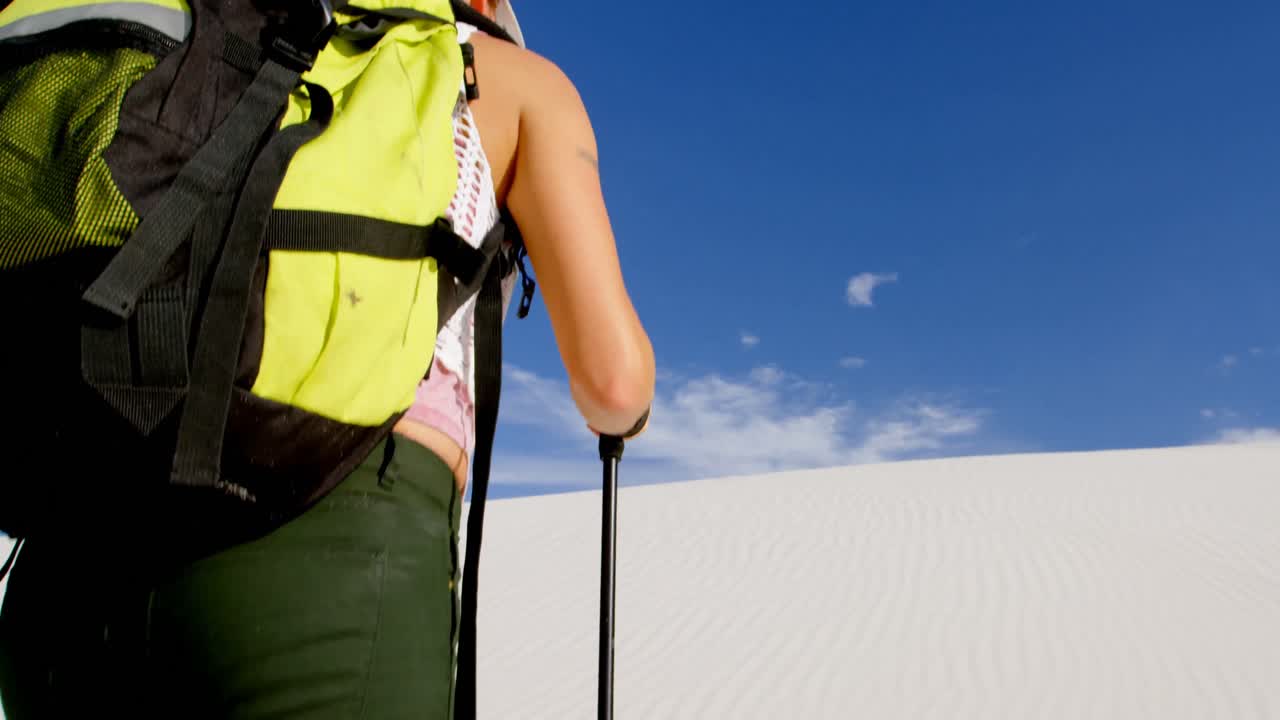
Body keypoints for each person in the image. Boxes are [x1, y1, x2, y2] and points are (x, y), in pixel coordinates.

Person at [0, 1, 655, 718]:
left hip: (68, 563)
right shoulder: (505, 76)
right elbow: (613, 384)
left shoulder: (213, 29)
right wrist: (634, 411)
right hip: (336, 549)